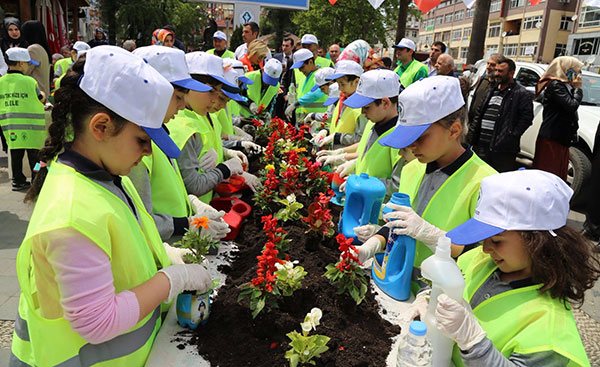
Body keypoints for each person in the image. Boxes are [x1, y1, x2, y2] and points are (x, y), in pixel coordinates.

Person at [10, 46, 213, 366]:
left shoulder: (113, 179)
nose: (148, 153)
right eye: (142, 140)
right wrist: (171, 280)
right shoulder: (72, 214)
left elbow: (130, 243)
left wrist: (169, 256)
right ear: (101, 127)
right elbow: (97, 323)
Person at [431, 169, 598, 366]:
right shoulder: (482, 261)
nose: (485, 249)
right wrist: (430, 296)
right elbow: (452, 283)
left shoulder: (550, 330)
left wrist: (473, 343)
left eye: (496, 240)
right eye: (483, 239)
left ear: (537, 241)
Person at [354, 77, 497, 293]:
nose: (411, 145)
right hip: (396, 284)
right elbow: (401, 223)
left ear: (454, 130)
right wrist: (375, 242)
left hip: (440, 299)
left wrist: (431, 235)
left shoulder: (485, 183)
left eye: (420, 137)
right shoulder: (412, 169)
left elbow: (481, 256)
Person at [129, 45, 229, 241]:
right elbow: (137, 220)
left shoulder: (160, 133)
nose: (182, 106)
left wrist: (190, 201)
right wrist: (185, 224)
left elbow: (171, 185)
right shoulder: (132, 149)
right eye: (178, 97)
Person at [168, 52, 257, 204]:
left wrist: (227, 152)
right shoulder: (181, 125)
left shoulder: (202, 114)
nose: (216, 101)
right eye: (211, 91)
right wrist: (223, 169)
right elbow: (192, 184)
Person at [318, 69, 406, 197]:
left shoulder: (399, 139)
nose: (363, 112)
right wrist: (353, 163)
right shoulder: (372, 123)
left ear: (385, 103)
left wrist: (363, 183)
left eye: (367, 107)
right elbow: (368, 155)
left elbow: (398, 186)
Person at [469, 57, 533, 172]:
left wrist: (511, 135)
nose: (496, 74)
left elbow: (527, 118)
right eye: (496, 70)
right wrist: (471, 137)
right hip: (481, 146)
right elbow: (478, 114)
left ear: (511, 73)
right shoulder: (491, 90)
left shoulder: (521, 94)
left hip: (502, 150)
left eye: (500, 71)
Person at [0, 48, 45, 191]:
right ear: (20, 63)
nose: (28, 66)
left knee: (16, 156)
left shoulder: (1, 82)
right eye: (27, 63)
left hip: (11, 127)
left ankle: (17, 180)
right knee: (35, 158)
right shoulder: (30, 81)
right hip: (32, 128)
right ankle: (36, 179)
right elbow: (40, 98)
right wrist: (43, 95)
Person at [532, 56, 583, 182]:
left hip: (561, 138)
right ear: (566, 70)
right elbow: (571, 105)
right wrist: (578, 89)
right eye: (576, 70)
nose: (578, 74)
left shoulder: (566, 86)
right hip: (552, 138)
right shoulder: (556, 85)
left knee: (558, 176)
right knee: (548, 175)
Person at [312, 60, 368, 148]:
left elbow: (361, 139)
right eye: (338, 84)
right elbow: (338, 125)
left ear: (356, 82)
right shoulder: (343, 99)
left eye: (342, 84)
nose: (340, 89)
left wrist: (337, 137)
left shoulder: (363, 106)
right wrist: (326, 131)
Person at [285, 48, 329, 122]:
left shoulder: (321, 75)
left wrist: (295, 104)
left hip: (318, 120)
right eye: (298, 68)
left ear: (311, 62)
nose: (300, 70)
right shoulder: (304, 77)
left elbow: (317, 94)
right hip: (303, 121)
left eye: (302, 67)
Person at [21, 20, 52, 97]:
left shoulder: (33, 49)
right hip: (43, 93)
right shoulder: (42, 48)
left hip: (35, 94)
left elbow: (25, 71)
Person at [468, 53, 501, 125]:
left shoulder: (500, 86)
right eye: (488, 64)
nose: (488, 67)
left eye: (492, 65)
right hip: (473, 123)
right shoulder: (482, 80)